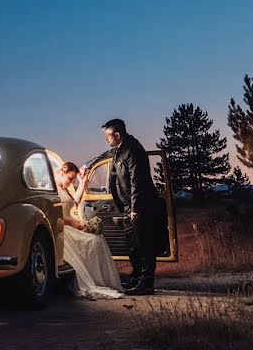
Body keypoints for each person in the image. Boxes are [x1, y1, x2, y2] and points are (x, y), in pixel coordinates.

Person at [102, 118, 168, 296]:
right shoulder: (118, 150)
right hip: (126, 206)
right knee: (133, 245)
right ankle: (136, 277)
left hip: (140, 206)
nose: (106, 139)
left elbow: (137, 181)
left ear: (117, 134)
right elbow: (105, 156)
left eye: (107, 136)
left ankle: (146, 284)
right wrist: (87, 166)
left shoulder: (133, 149)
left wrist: (135, 209)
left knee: (144, 245)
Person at [54, 161, 124, 300]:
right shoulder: (52, 189)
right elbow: (54, 214)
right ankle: (93, 280)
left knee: (98, 239)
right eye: (70, 178)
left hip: (70, 226)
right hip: (61, 229)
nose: (72, 181)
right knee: (93, 241)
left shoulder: (64, 188)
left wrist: (83, 181)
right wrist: (74, 223)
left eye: (74, 179)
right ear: (62, 172)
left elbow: (75, 200)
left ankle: (99, 279)